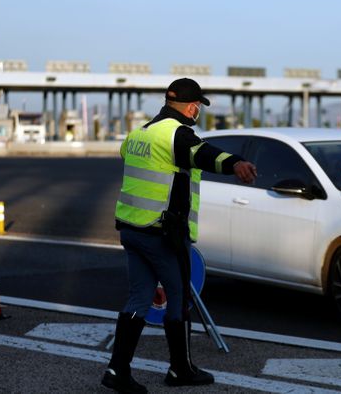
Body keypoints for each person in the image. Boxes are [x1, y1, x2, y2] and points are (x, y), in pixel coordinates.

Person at [102, 78, 257, 393]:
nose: (197, 109)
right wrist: (236, 163)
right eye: (198, 104)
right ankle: (180, 369)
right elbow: (204, 155)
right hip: (164, 233)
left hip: (132, 229)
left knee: (139, 298)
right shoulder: (177, 135)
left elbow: (133, 160)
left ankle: (117, 370)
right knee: (179, 296)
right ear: (192, 105)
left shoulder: (137, 135)